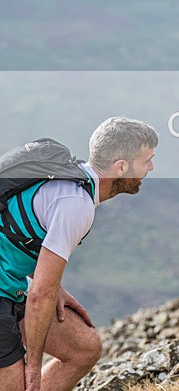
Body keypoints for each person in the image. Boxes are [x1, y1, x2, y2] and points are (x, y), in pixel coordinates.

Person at [0, 117, 158, 391]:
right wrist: (34, 367)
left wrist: (52, 283)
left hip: (9, 285)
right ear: (121, 167)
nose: (151, 168)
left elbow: (15, 226)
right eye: (146, 162)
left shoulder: (70, 180)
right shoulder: (77, 204)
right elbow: (39, 296)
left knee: (84, 348)